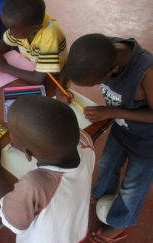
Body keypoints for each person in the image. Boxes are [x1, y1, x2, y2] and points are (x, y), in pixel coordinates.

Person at [64, 33, 153, 243]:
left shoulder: (146, 72)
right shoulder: (103, 49)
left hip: (148, 141)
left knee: (133, 186)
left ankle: (119, 224)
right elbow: (71, 66)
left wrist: (112, 113)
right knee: (107, 163)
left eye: (95, 83)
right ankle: (102, 192)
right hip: (122, 129)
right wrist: (63, 88)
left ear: (112, 71)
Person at [0, 95, 95, 242]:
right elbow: (54, 129)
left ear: (27, 154)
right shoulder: (86, 142)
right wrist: (26, 140)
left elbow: (7, 210)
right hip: (74, 232)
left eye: (12, 133)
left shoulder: (35, 185)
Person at [0, 0, 68, 86]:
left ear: (36, 28)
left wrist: (6, 67)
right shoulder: (23, 26)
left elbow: (39, 79)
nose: (11, 33)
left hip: (54, 83)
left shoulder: (50, 35)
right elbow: (5, 42)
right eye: (9, 28)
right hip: (30, 71)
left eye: (15, 31)